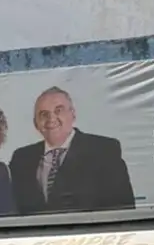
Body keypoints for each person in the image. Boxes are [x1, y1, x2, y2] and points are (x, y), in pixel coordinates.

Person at [9, 86, 135, 214]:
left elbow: (123, 209)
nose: (51, 119)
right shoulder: (21, 158)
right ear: (35, 123)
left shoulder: (103, 150)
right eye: (43, 114)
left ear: (73, 114)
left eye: (58, 110)